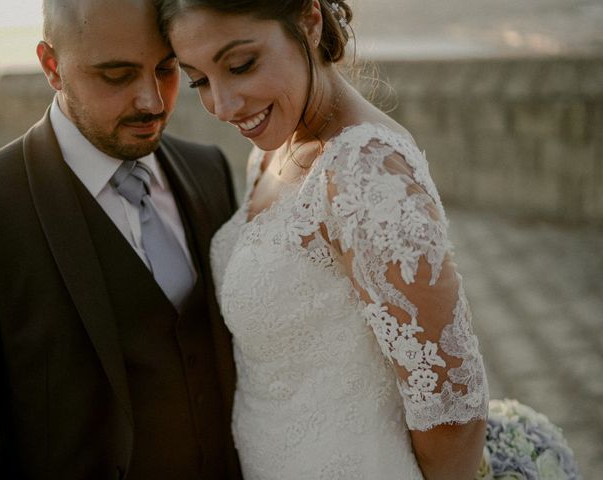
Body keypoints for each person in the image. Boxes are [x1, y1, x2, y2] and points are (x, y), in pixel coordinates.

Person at [156, 0, 490, 478]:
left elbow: (452, 410)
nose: (223, 106)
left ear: (310, 22)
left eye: (240, 65)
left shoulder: (364, 171)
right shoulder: (278, 146)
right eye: (200, 81)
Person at [0, 0, 242, 478]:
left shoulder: (208, 170)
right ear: (52, 66)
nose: (152, 101)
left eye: (167, 68)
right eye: (116, 75)